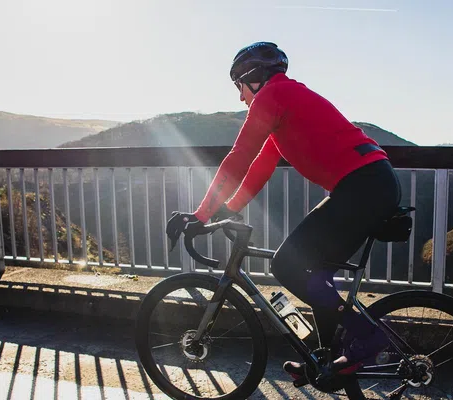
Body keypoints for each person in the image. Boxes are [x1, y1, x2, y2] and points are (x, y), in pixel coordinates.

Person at [165, 42, 403, 379]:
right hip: (369, 184)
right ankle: (325, 362)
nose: (240, 97)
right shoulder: (286, 101)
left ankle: (368, 337)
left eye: (239, 86)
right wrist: (228, 209)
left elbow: (238, 158)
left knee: (286, 264)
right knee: (317, 277)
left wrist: (201, 214)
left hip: (362, 187)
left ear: (253, 78)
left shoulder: (271, 97)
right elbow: (259, 167)